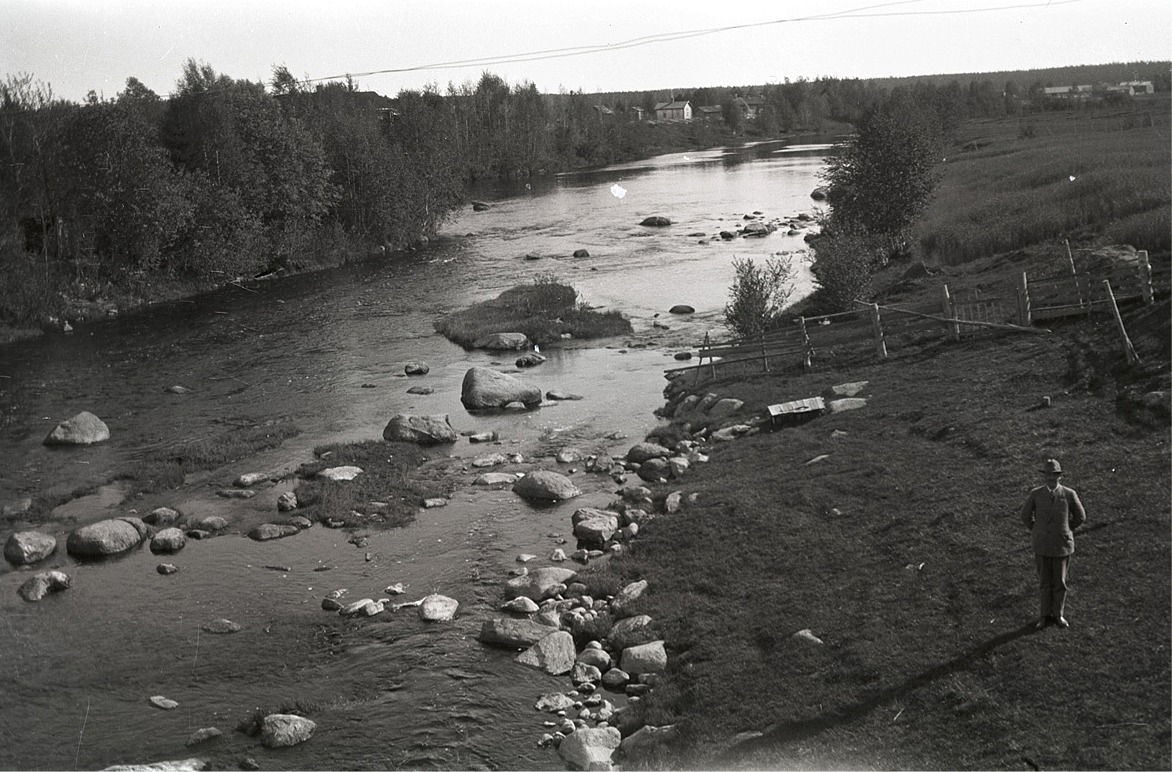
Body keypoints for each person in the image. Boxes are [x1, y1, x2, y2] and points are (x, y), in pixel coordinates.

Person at [1020, 459, 1086, 629]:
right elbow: (1025, 516)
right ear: (1044, 476)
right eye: (1048, 475)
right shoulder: (1036, 494)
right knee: (1045, 583)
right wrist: (1037, 530)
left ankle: (1058, 615)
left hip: (1061, 546)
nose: (1051, 478)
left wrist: (1065, 530)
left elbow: (1080, 516)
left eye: (1054, 475)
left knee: (1060, 583)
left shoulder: (1069, 494)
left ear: (1059, 477)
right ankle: (1044, 615)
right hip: (1042, 545)